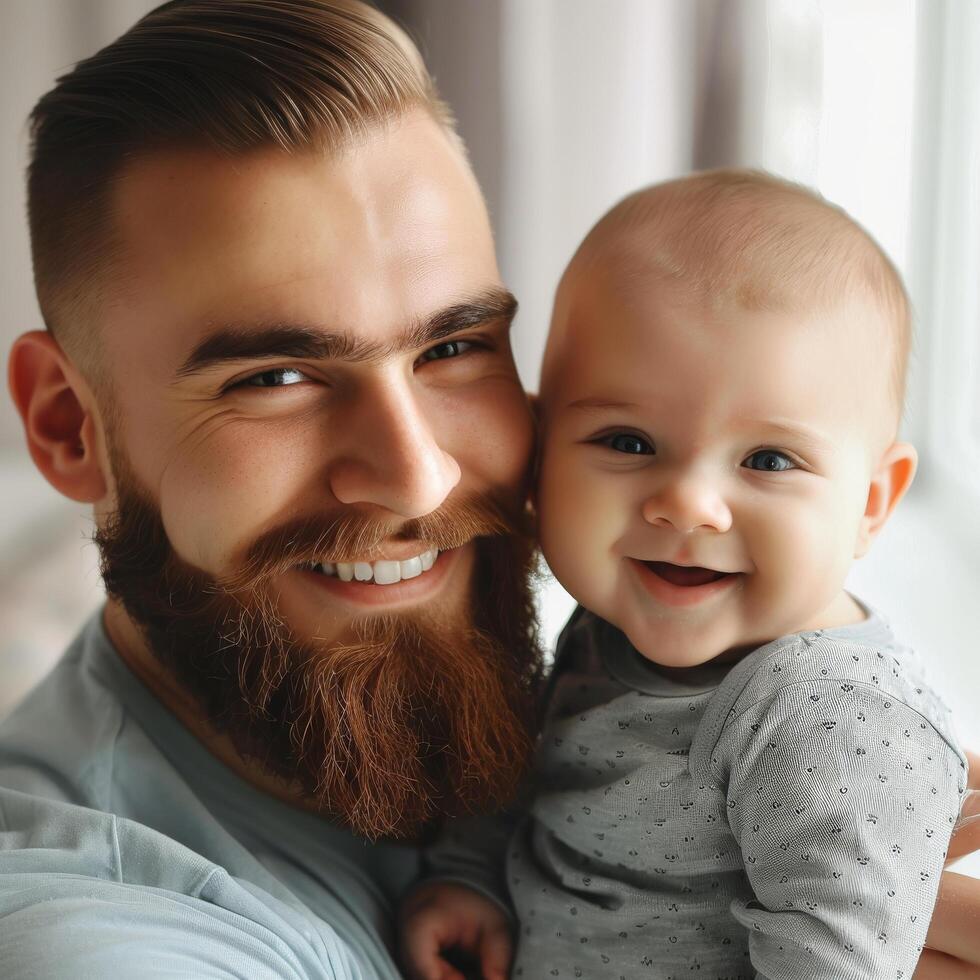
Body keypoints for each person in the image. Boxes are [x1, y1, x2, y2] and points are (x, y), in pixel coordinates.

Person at [1, 1, 978, 976]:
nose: (417, 472)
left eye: (453, 345)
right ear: (64, 422)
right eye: (275, 377)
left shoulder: (565, 699)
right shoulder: (89, 931)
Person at [399, 171, 975, 980]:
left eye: (768, 459)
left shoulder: (828, 715)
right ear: (538, 455)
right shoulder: (607, 627)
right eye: (627, 441)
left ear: (871, 503)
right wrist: (472, 881)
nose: (689, 505)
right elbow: (537, 780)